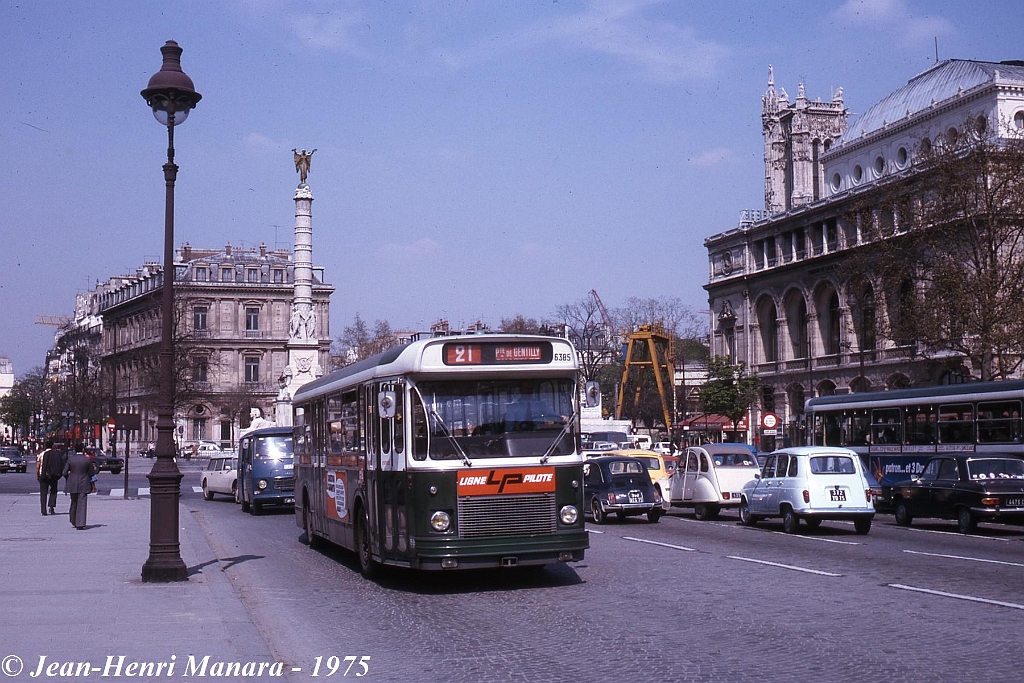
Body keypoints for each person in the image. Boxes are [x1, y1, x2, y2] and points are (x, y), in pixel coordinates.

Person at [63, 442, 97, 530]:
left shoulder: (71, 459)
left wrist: (68, 478)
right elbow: (91, 472)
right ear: (83, 449)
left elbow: (64, 472)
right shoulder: (87, 459)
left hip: (72, 482)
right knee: (82, 503)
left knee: (73, 501)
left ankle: (73, 519)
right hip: (84, 482)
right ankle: (80, 523)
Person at [37, 440, 65, 516]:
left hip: (45, 476)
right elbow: (61, 464)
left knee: (43, 493)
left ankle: (43, 510)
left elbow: (44, 465)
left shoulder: (45, 454)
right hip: (54, 476)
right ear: (52, 446)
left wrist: (41, 475)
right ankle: (51, 507)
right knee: (53, 491)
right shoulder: (57, 454)